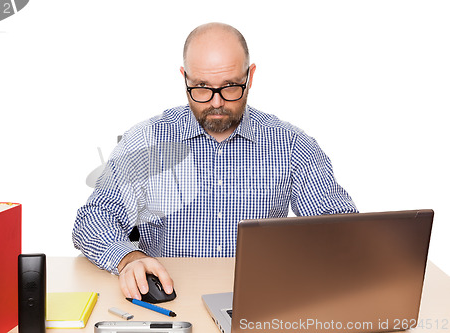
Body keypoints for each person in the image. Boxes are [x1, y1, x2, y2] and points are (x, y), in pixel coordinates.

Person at [72, 22, 358, 301]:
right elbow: (94, 218)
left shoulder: (291, 144)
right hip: (172, 299)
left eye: (231, 86)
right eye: (201, 87)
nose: (216, 102)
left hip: (260, 300)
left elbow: (341, 229)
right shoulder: (148, 139)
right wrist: (128, 258)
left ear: (251, 75)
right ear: (184, 78)